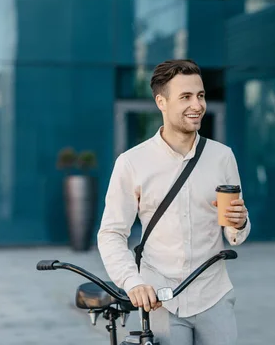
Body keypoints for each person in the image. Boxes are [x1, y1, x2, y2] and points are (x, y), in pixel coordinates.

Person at [97, 59, 251, 345]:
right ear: (161, 102)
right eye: (186, 97)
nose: (197, 105)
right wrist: (133, 283)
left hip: (213, 295)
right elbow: (111, 234)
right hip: (161, 300)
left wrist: (240, 223)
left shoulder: (222, 156)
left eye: (201, 95)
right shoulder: (132, 163)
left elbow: (234, 233)